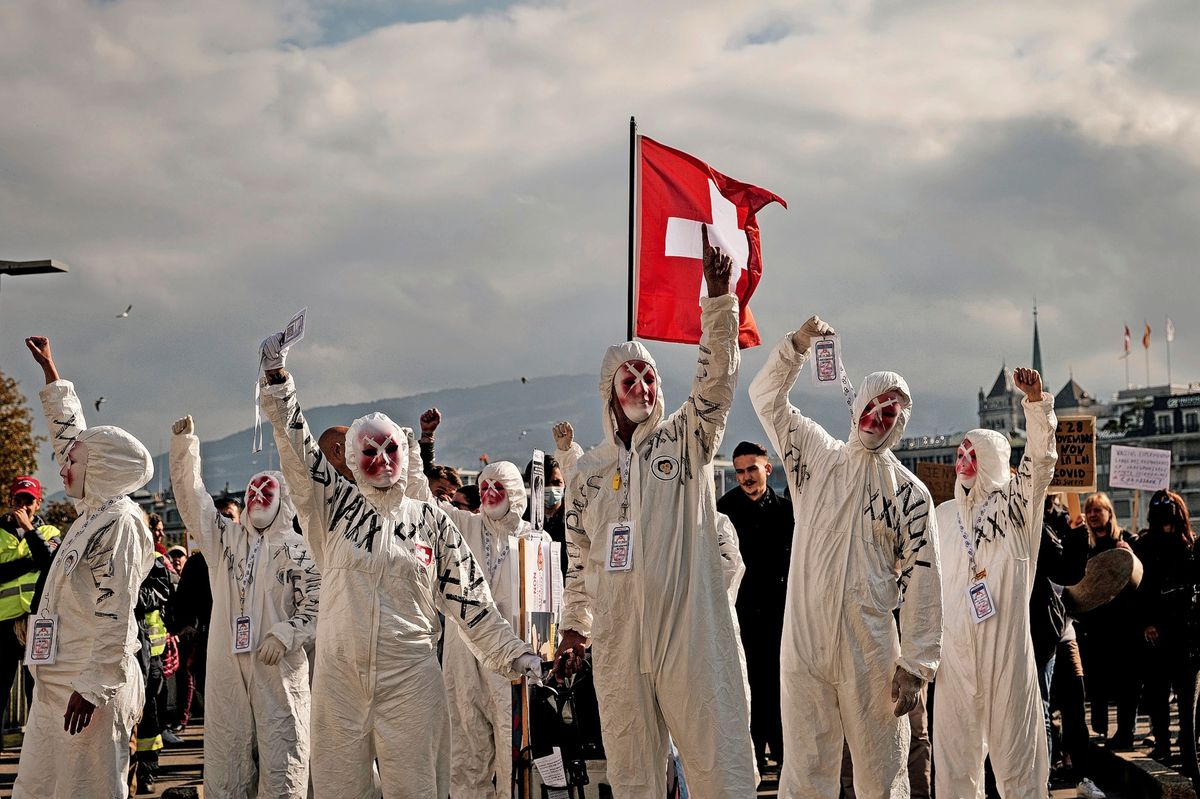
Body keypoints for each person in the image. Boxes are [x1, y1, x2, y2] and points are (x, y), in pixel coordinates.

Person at [257, 340, 540, 799]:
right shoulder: (333, 508)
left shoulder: (430, 521)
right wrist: (278, 382)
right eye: (369, 452)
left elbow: (472, 603)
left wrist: (514, 654)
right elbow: (300, 452)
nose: (383, 460)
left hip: (410, 681)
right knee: (339, 790)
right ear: (352, 459)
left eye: (390, 449)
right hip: (340, 682)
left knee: (416, 789)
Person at [553, 227, 757, 798]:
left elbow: (716, 387)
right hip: (620, 644)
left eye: (649, 376)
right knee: (633, 776)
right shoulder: (587, 476)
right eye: (630, 377)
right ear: (608, 392)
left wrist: (718, 302)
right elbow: (579, 566)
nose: (642, 384)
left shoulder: (683, 442)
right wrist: (574, 629)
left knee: (720, 768)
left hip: (687, 633)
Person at [748, 315, 942, 798]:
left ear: (900, 424)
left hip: (870, 649)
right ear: (856, 406)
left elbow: (924, 579)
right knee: (805, 771)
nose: (878, 417)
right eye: (873, 406)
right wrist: (795, 347)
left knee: (882, 770)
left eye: (890, 413)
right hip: (806, 642)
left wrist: (916, 663)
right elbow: (766, 400)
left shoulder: (910, 495)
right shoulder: (815, 457)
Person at [14, 336, 156, 799]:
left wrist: (94, 686)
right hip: (57, 681)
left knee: (88, 789)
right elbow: (70, 440)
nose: (62, 467)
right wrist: (53, 377)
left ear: (102, 469)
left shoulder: (120, 524)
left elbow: (115, 611)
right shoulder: (92, 514)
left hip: (87, 690)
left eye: (73, 462)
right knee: (38, 788)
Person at [170, 414, 321, 797]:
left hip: (278, 670)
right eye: (251, 492)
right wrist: (185, 450)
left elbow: (318, 607)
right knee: (225, 756)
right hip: (227, 664)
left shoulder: (300, 551)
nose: (256, 498)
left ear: (283, 500)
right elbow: (195, 506)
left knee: (283, 758)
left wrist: (286, 633)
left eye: (266, 493)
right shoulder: (228, 542)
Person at [931, 367, 1058, 798]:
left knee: (1018, 760)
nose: (962, 461)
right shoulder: (943, 517)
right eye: (960, 451)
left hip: (1006, 648)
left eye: (972, 453)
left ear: (991, 460)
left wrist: (1036, 404)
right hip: (955, 654)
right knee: (953, 765)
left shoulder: (1018, 509)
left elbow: (1040, 462)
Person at [439, 460, 551, 798]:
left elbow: (545, 610)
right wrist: (418, 453)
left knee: (511, 746)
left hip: (512, 657)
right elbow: (421, 503)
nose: (488, 494)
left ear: (515, 493)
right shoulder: (465, 526)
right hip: (462, 652)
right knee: (465, 745)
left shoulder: (536, 538)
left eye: (496, 487)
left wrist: (542, 653)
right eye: (484, 487)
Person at [716, 440, 792, 774]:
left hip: (778, 616)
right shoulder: (723, 510)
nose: (746, 477)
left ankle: (783, 758)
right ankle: (751, 763)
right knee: (745, 689)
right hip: (740, 616)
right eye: (740, 471)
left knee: (778, 689)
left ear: (767, 469)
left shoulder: (786, 510)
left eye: (752, 469)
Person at [1135, 489, 1199, 775]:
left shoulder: (1190, 545)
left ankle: (1188, 752)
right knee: (1158, 695)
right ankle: (1163, 745)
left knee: (1187, 700)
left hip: (1185, 632)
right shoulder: (1146, 545)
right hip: (1157, 632)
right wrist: (1146, 622)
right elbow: (1140, 589)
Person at [1075, 492, 1140, 749]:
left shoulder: (1126, 541)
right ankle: (1101, 725)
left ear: (1109, 513)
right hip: (1095, 628)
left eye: (1098, 510)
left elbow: (1142, 579)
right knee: (1097, 681)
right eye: (1089, 510)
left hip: (1124, 626)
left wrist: (1132, 555)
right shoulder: (1085, 547)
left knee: (1128, 684)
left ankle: (1126, 733)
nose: (1092, 515)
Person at [0, 478, 61, 738]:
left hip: (39, 622)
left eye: (29, 501)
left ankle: (38, 752)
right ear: (10, 501)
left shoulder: (49, 532)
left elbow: (52, 563)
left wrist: (29, 530)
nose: (23, 506)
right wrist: (30, 562)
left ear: (38, 504)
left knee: (37, 688)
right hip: (3, 623)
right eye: (18, 500)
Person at [132, 545, 173, 793]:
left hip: (149, 652)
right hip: (123, 646)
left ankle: (147, 771)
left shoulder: (153, 558)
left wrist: (128, 593)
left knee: (148, 713)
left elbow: (160, 592)